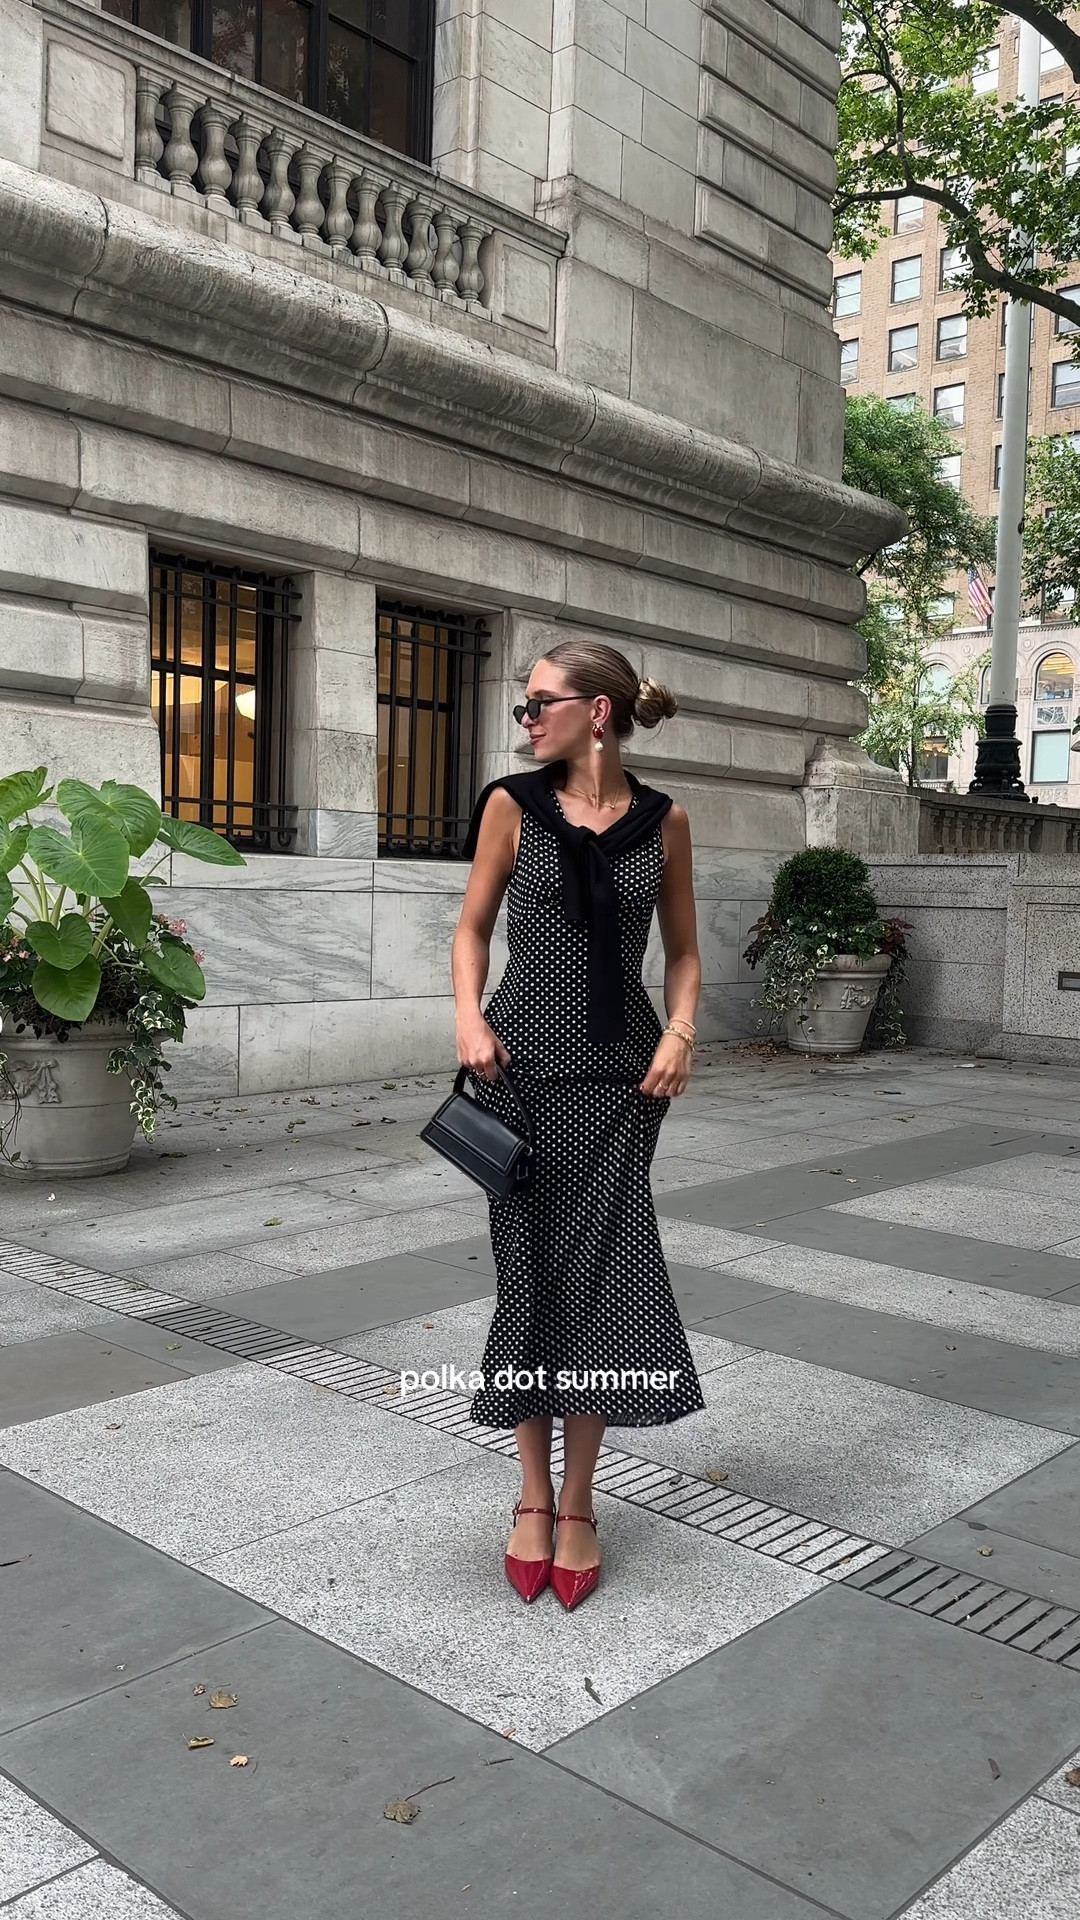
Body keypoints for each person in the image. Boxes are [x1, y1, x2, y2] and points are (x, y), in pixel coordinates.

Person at [451, 640, 705, 1611]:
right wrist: (469, 1017)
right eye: (524, 709)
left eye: (538, 705)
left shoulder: (663, 822)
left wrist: (682, 1029)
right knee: (528, 1273)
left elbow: (682, 954)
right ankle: (529, 1495)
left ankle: (579, 1507)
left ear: (596, 713)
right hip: (514, 1068)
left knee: (603, 1275)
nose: (525, 721)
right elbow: (472, 928)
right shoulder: (512, 807)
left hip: (621, 1081)